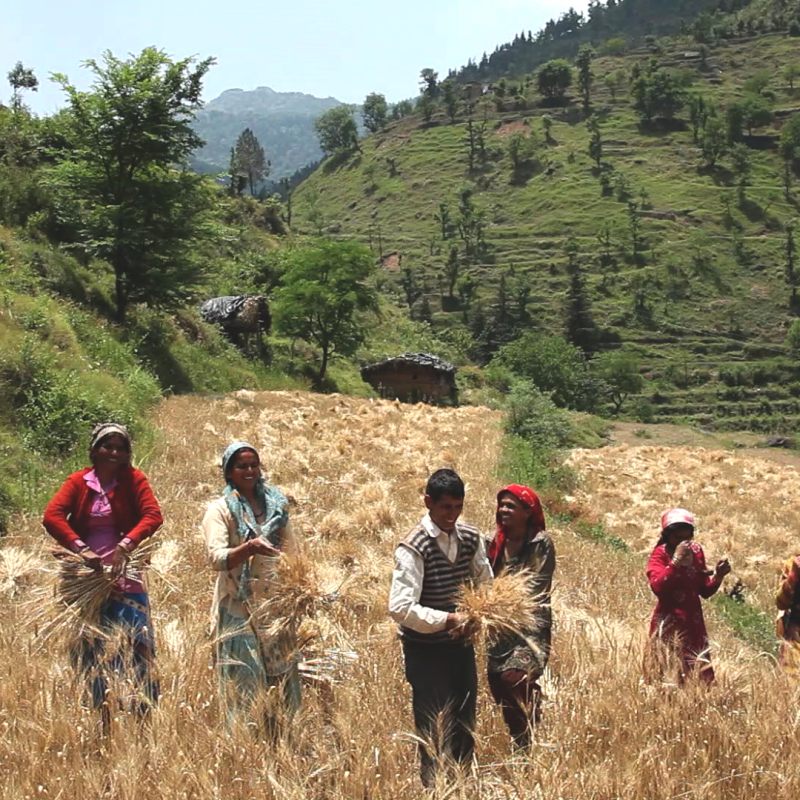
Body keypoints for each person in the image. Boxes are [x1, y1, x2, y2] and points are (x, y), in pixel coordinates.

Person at [42, 422, 163, 723]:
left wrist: (126, 544)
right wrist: (81, 549)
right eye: (107, 446)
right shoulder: (78, 482)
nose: (114, 452)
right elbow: (52, 516)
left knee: (137, 644)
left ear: (127, 453)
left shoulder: (134, 480)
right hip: (86, 578)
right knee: (91, 648)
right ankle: (102, 714)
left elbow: (153, 515)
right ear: (94, 450)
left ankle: (142, 715)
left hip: (125, 576)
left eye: (120, 448)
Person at [388, 468, 492, 788]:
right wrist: (448, 619)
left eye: (458, 507)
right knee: (432, 721)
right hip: (425, 650)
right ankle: (433, 787)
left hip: (460, 646)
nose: (452, 514)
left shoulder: (470, 538)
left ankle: (461, 783)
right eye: (446, 507)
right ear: (428, 502)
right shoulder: (414, 546)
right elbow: (400, 607)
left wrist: (480, 611)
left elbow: (484, 581)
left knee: (464, 717)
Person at [202, 441, 301, 730]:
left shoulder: (277, 506)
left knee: (283, 680)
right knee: (245, 684)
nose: (249, 471)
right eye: (241, 466)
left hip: (273, 605)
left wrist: (297, 587)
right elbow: (216, 558)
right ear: (228, 472)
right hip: (239, 605)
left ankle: (285, 740)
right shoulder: (220, 510)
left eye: (253, 465)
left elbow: (293, 551)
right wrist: (249, 548)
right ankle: (245, 746)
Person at [486, 484, 554, 748]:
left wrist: (501, 598)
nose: (503, 510)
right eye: (501, 505)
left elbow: (537, 586)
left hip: (530, 627)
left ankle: (529, 730)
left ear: (528, 512)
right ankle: (521, 741)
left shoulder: (540, 543)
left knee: (515, 678)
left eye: (511, 506)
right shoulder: (492, 542)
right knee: (500, 688)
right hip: (499, 627)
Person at [645, 508, 731, 685]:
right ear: (667, 536)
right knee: (666, 668)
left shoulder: (696, 551)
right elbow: (658, 587)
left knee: (695, 670)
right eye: (677, 538)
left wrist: (719, 576)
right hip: (669, 622)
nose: (683, 543)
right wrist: (675, 562)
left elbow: (704, 590)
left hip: (693, 623)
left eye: (687, 538)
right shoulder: (660, 554)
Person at [776, 554, 800, 677]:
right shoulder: (794, 563)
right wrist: (793, 576)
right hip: (795, 639)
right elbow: (781, 603)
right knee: (792, 683)